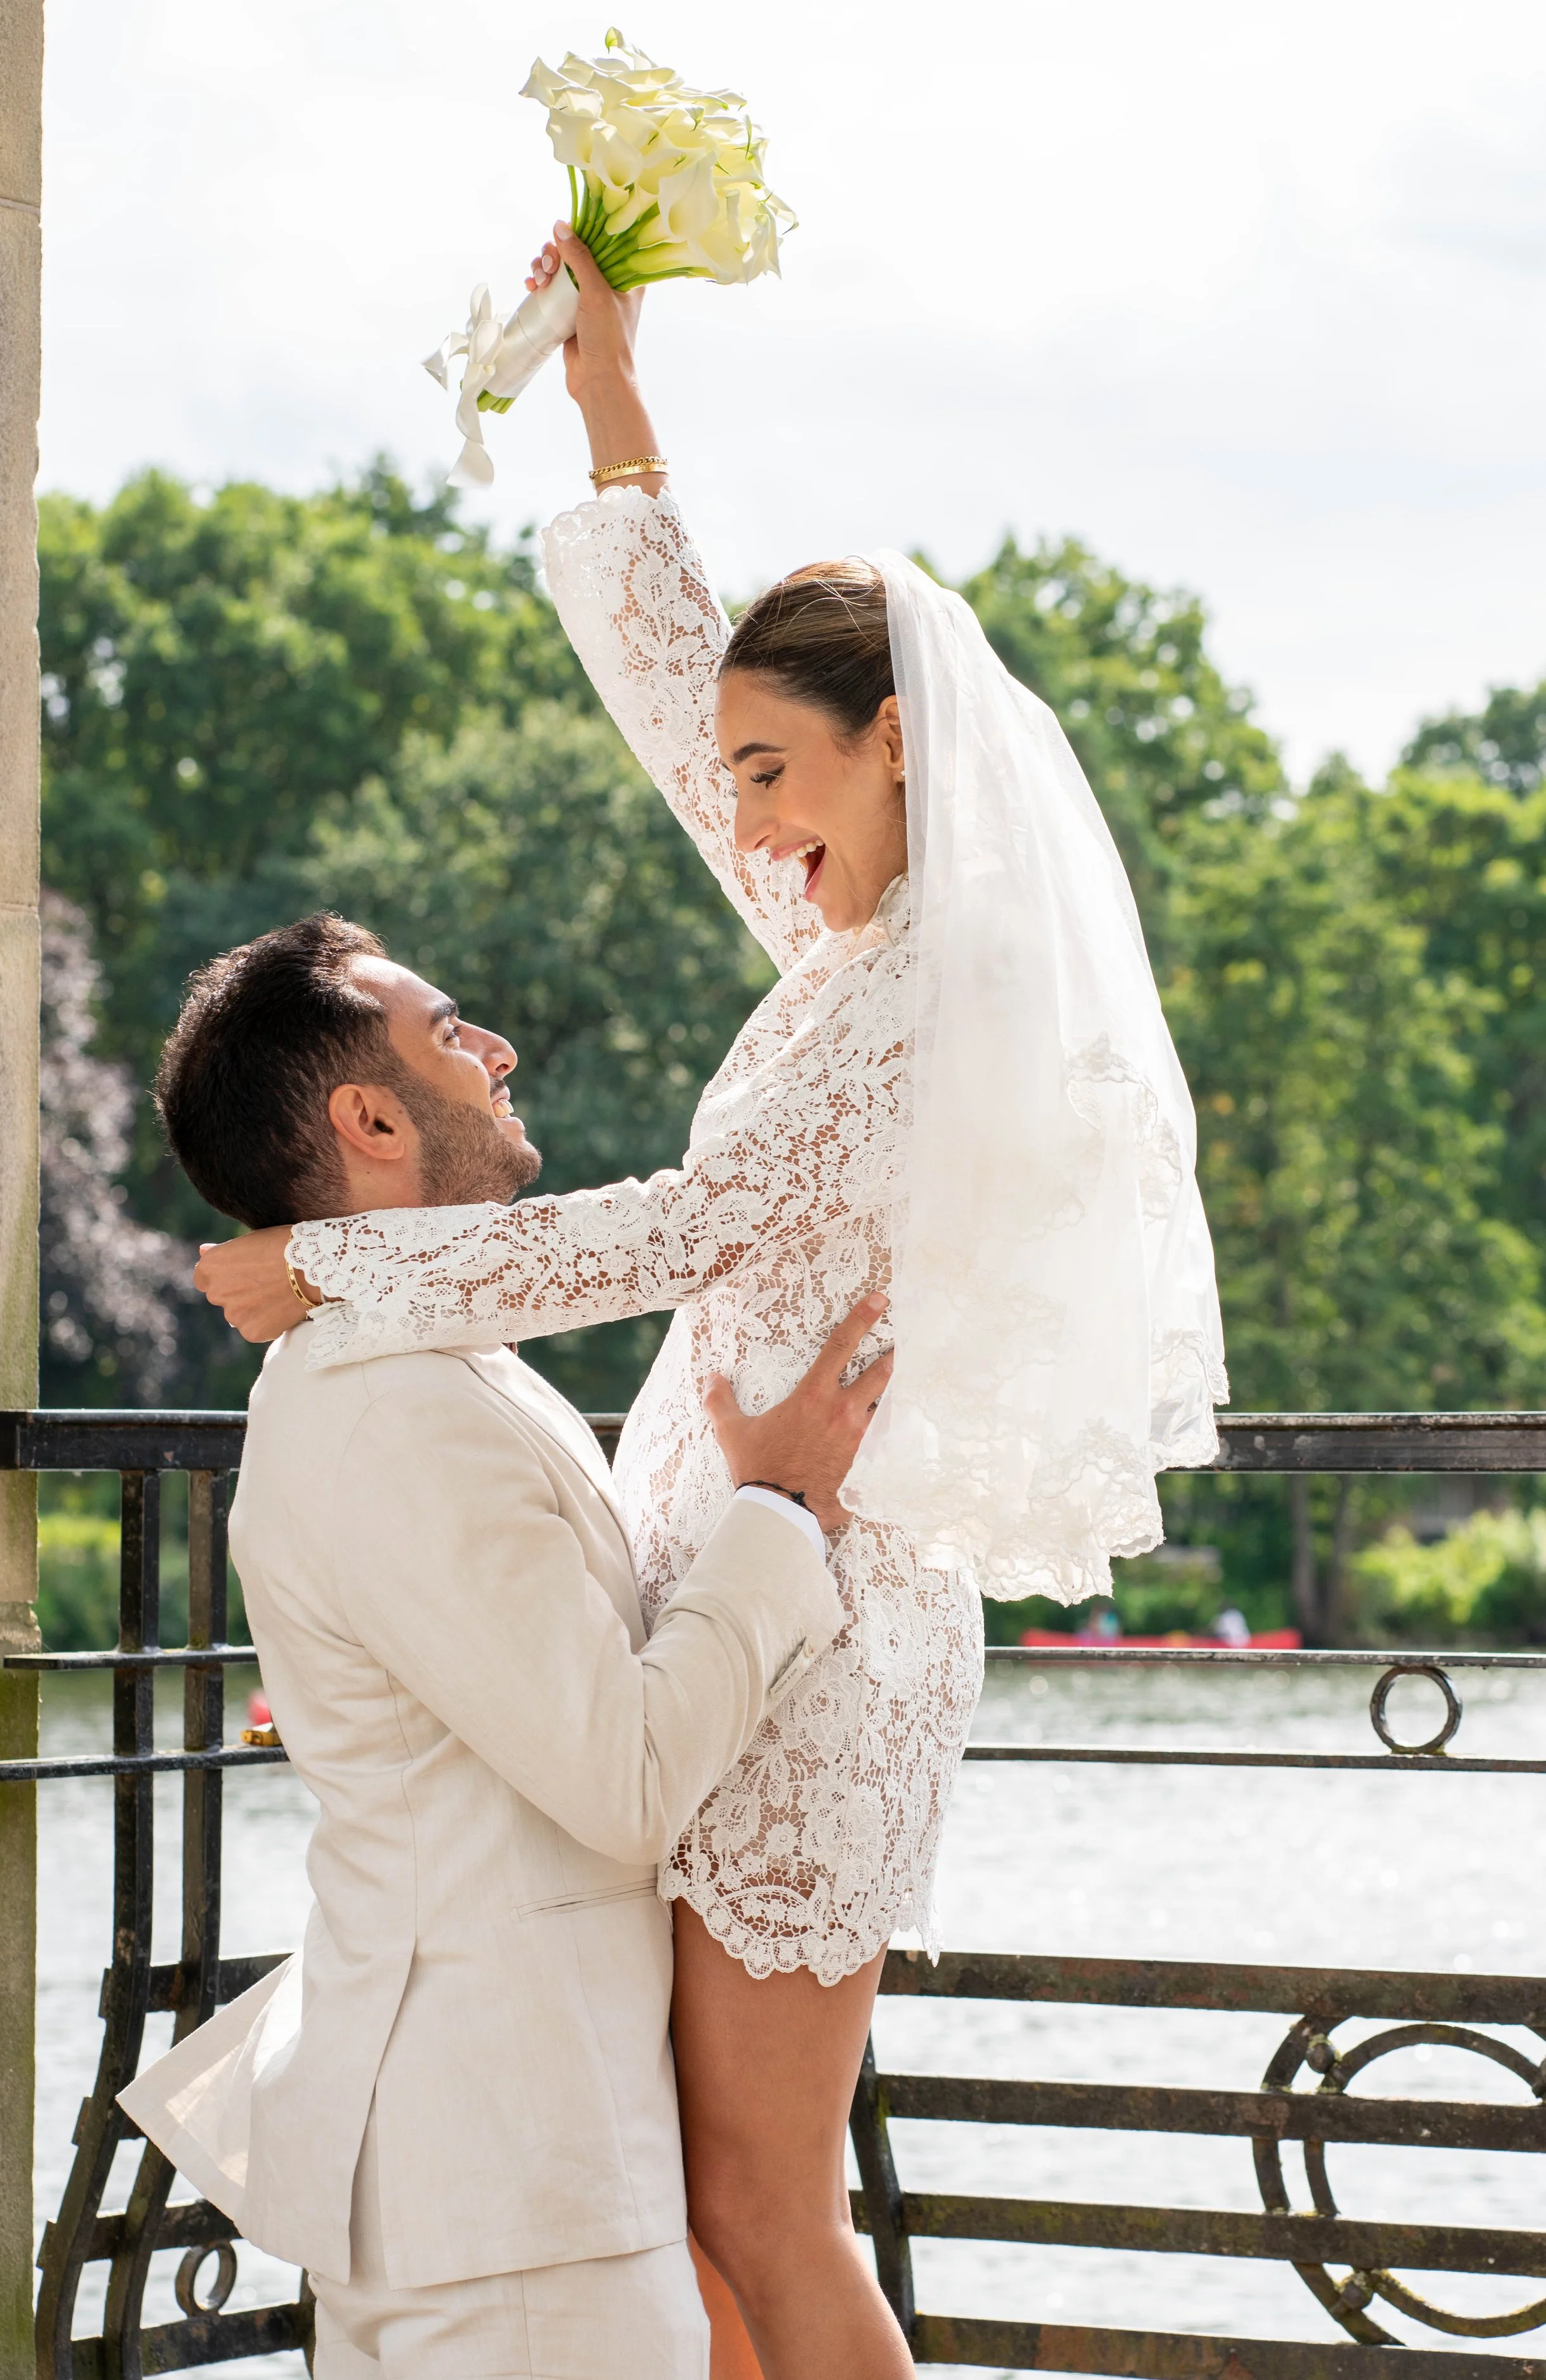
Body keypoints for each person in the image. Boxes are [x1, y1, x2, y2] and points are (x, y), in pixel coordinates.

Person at [194, 229, 1227, 2380]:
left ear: (898, 753)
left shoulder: (918, 989)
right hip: (731, 1591)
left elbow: (674, 1228)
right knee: (700, 2208)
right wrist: (611, 404)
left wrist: (332, 1263)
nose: (744, 815)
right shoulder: (855, 931)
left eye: (781, 773)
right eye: (741, 777)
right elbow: (695, 701)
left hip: (810, 1626)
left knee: (762, 2200)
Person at [118, 913, 892, 2380]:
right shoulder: (392, 1411)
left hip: (516, 2172)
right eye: (450, 1029)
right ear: (370, 1116)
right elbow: (626, 1774)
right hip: (503, 2190)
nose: (497, 1050)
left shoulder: (432, 1366)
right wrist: (778, 1509)